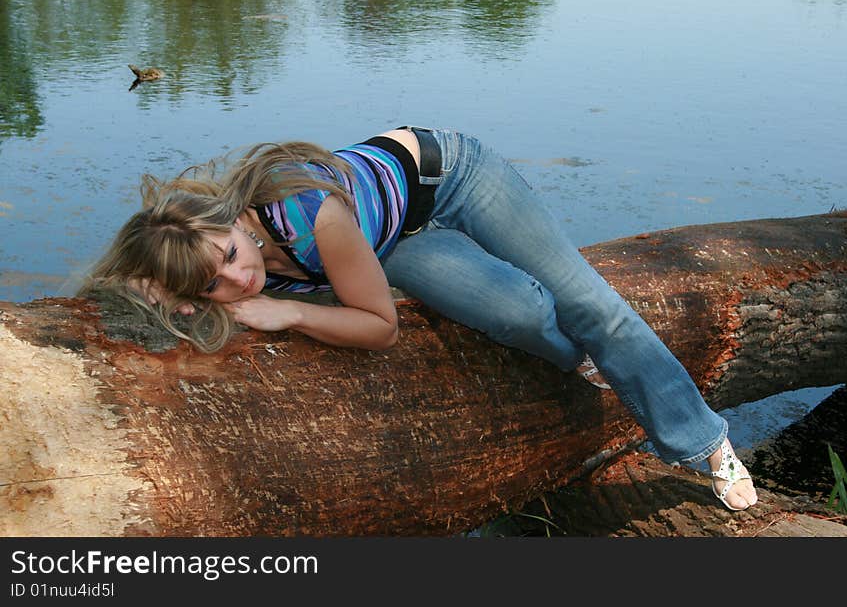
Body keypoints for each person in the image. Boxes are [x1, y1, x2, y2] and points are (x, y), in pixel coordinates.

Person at [81, 126, 758, 512]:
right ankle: (575, 360)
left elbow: (379, 326)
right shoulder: (213, 263)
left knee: (588, 306)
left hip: (454, 177)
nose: (237, 278)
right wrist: (162, 288)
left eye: (228, 256)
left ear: (232, 220)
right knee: (521, 312)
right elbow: (172, 287)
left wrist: (286, 310)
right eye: (212, 283)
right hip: (395, 240)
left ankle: (703, 440)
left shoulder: (307, 215)